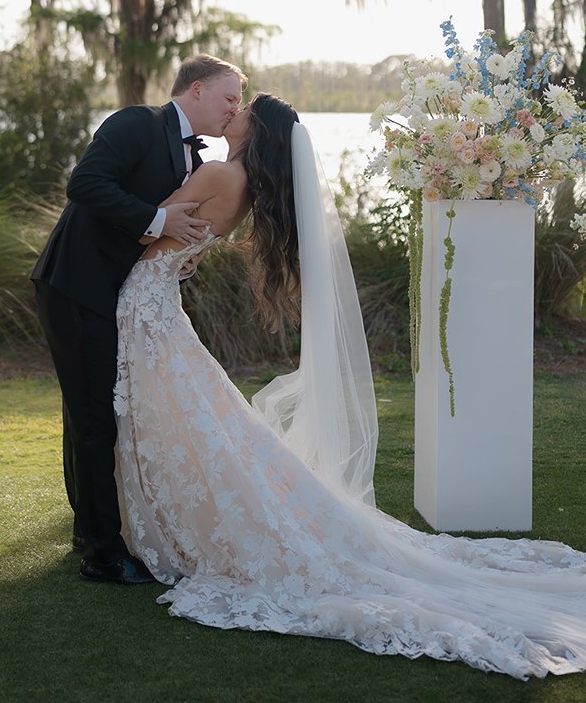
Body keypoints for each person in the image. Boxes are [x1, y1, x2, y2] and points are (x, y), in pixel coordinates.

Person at [113, 93, 586, 679]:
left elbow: (141, 230)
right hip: (161, 302)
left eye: (239, 111)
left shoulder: (214, 172)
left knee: (176, 411)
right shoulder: (241, 189)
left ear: (255, 131)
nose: (230, 113)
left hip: (145, 301)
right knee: (190, 413)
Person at [31, 54, 246, 585]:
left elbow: (169, 236)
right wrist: (157, 217)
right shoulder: (135, 123)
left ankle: (90, 528)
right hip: (75, 285)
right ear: (196, 90)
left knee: (95, 410)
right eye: (229, 98)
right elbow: (84, 185)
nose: (234, 109)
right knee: (94, 414)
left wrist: (183, 254)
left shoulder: (196, 161)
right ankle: (103, 553)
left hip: (119, 293)